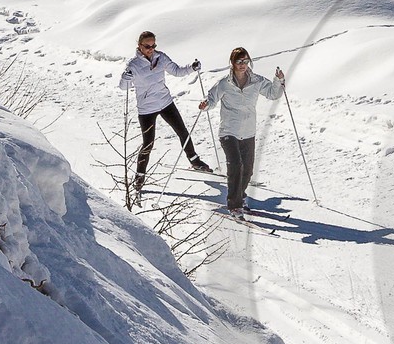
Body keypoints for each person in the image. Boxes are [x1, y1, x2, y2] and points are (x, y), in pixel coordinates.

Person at [118, 30, 212, 195]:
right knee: (148, 143)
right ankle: (139, 176)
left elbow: (177, 71)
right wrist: (125, 78)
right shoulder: (133, 65)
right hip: (147, 108)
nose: (151, 49)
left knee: (183, 131)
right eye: (147, 46)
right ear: (139, 46)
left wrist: (192, 67)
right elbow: (124, 87)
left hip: (165, 102)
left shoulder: (161, 58)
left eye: (153, 45)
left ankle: (194, 160)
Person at [198, 47, 285, 213]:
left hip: (248, 132)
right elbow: (212, 98)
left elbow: (274, 94)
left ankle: (241, 196)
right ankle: (234, 204)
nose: (243, 65)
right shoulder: (225, 83)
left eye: (245, 61)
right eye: (239, 61)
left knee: (248, 169)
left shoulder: (257, 81)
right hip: (228, 131)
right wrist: (205, 104)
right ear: (232, 63)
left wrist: (278, 80)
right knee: (236, 166)